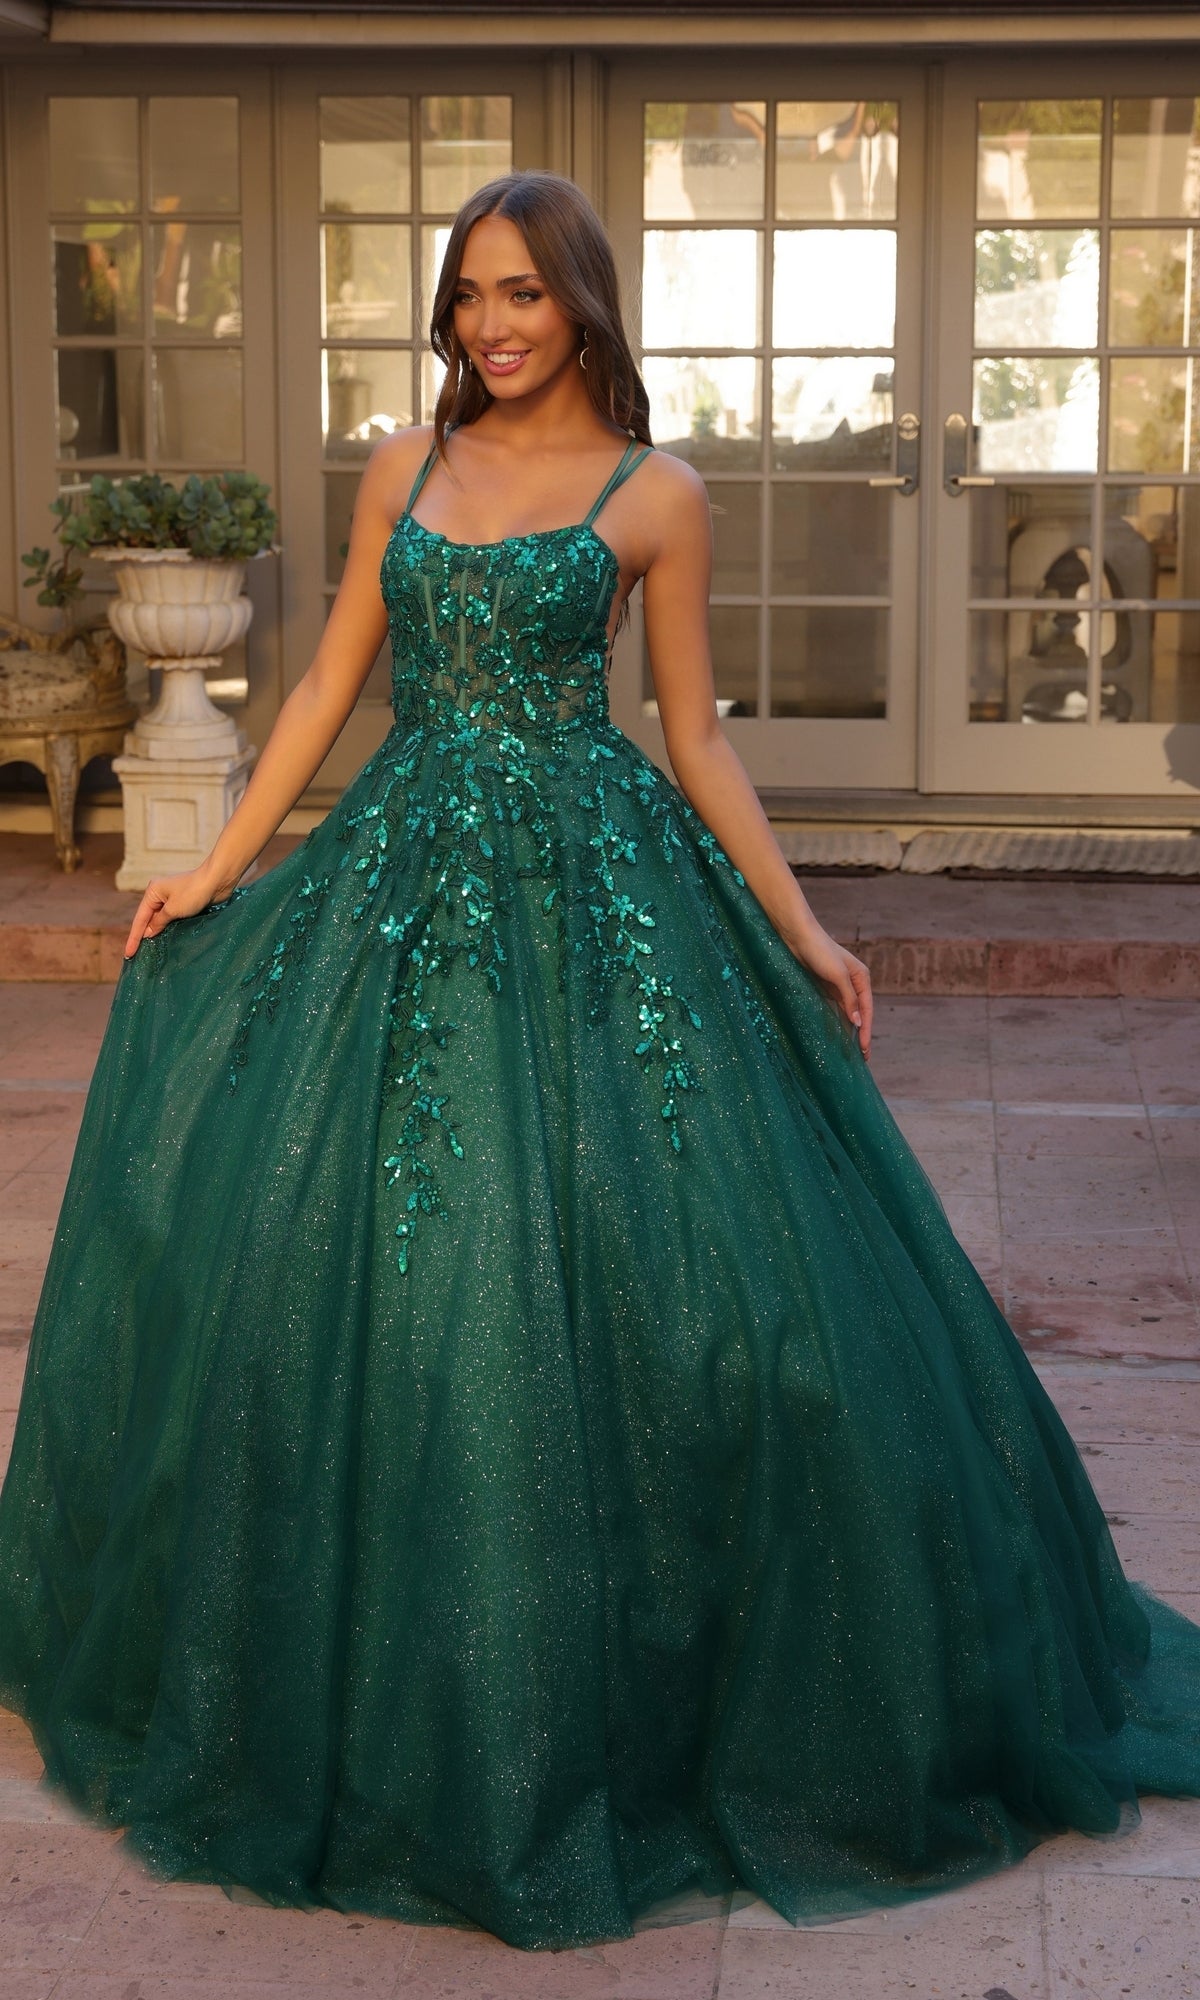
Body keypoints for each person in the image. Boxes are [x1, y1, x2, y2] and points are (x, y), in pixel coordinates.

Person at [1, 169, 1199, 1956]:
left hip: (598, 890)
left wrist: (806, 928)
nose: (491, 325)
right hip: (403, 880)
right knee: (374, 1265)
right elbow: (328, 688)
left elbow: (696, 738)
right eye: (469, 293)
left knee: (679, 1279)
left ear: (582, 304)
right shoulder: (400, 468)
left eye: (523, 294)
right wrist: (220, 865)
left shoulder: (658, 496)